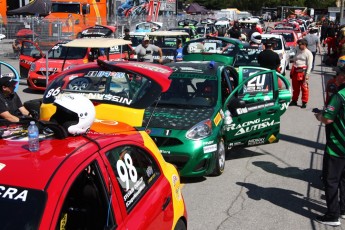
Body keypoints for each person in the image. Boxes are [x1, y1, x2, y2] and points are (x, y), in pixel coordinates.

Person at [314, 66, 345, 227]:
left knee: (331, 180)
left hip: (338, 145)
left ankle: (333, 215)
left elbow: (327, 119)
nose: (337, 76)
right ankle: (343, 209)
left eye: (339, 74)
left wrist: (319, 115)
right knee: (344, 179)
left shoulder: (339, 96)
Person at [289, 38, 313, 108]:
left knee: (304, 88)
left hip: (303, 72)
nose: (299, 46)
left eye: (301, 45)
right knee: (295, 88)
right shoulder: (296, 49)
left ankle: (304, 102)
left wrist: (307, 74)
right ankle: (294, 100)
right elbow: (293, 58)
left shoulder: (308, 53)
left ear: (305, 45)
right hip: (295, 71)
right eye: (299, 44)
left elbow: (310, 65)